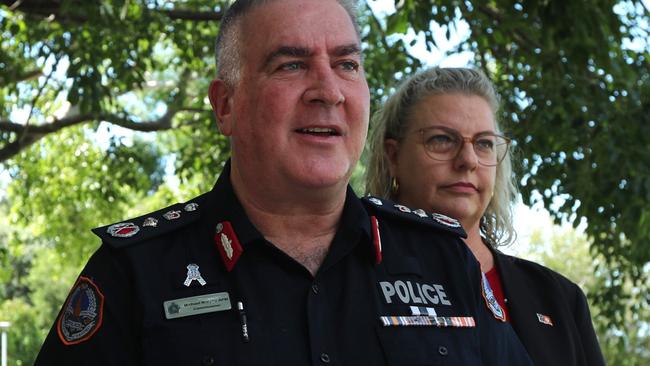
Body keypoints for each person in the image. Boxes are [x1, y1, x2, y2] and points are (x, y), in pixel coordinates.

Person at [34, 2, 532, 365]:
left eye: (347, 65)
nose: (328, 91)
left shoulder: (445, 261)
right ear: (225, 105)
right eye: (291, 64)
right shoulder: (134, 273)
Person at [366, 66, 606, 366]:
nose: (468, 160)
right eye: (442, 139)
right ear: (393, 156)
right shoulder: (352, 275)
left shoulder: (559, 297)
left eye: (483, 143)